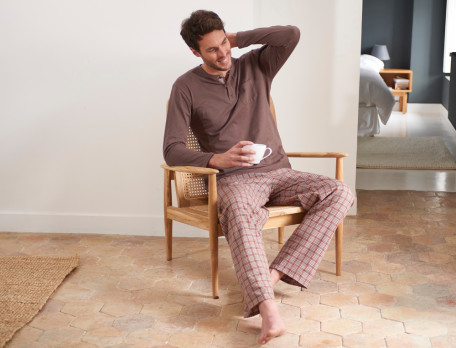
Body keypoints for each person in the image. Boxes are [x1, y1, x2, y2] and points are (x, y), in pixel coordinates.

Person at [163, 10, 354, 345]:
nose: (223, 54)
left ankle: (272, 274)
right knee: (239, 213)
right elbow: (172, 149)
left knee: (338, 192)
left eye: (224, 43)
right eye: (211, 49)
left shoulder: (257, 65)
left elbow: (291, 33)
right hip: (234, 179)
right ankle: (268, 310)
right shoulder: (185, 87)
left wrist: (239, 39)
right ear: (195, 52)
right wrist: (215, 158)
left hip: (279, 172)